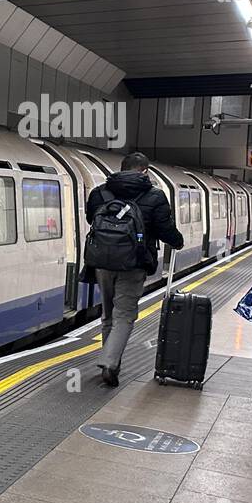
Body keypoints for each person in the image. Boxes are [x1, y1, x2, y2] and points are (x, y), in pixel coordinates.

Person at [84, 152, 184, 386]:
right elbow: (164, 229)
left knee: (108, 314)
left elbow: (92, 219)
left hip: (102, 262)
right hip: (134, 263)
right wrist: (177, 241)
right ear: (145, 171)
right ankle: (109, 363)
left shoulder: (100, 193)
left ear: (121, 168)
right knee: (125, 315)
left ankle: (112, 363)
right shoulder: (155, 196)